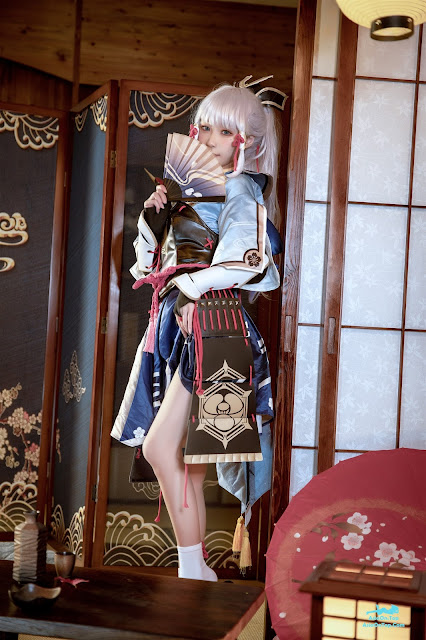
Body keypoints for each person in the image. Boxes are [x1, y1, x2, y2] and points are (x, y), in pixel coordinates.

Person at [111, 76, 286, 581]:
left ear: (245, 142)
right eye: (204, 126)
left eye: (223, 131)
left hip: (214, 326)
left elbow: (246, 261)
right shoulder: (192, 189)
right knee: (188, 460)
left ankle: (194, 571)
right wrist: (153, 222)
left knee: (161, 448)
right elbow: (150, 268)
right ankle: (195, 574)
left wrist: (191, 290)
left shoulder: (242, 189)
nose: (208, 138)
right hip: (184, 322)